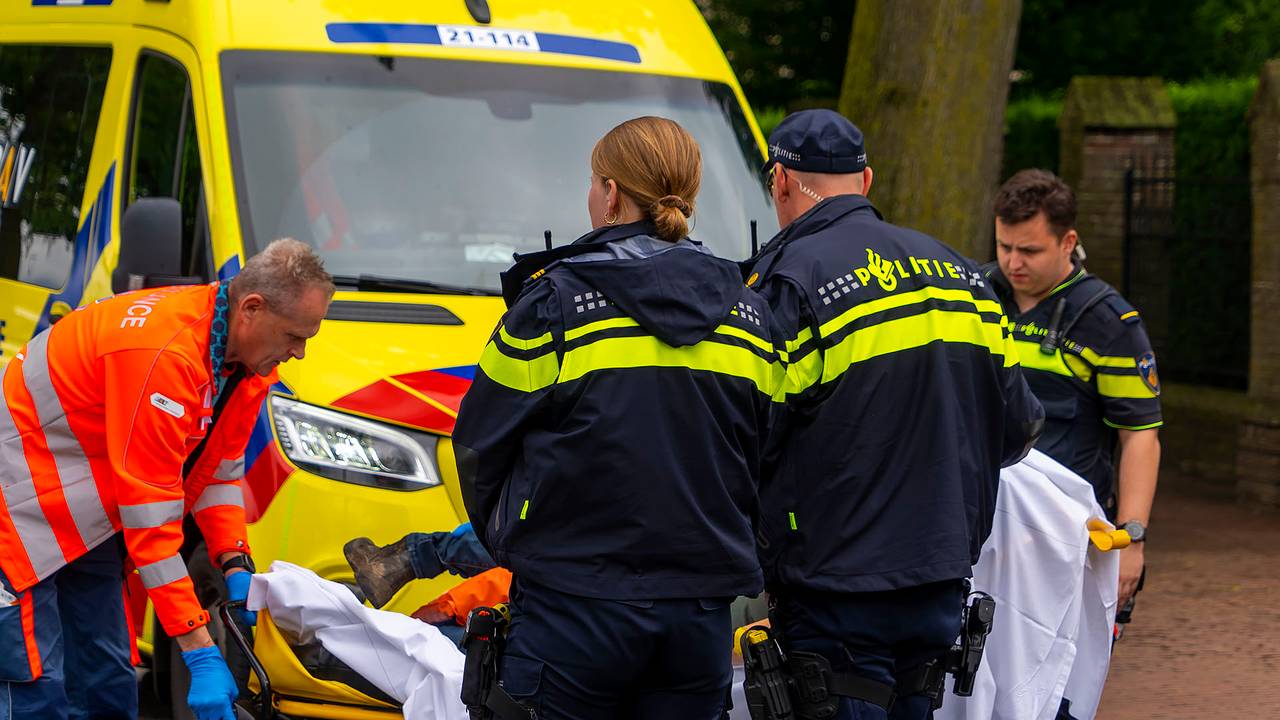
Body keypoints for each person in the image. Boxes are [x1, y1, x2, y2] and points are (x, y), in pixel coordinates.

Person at [451, 116, 783, 719]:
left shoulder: (554, 303)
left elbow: (478, 444)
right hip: (700, 616)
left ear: (610, 194)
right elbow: (771, 453)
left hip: (570, 608)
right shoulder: (754, 315)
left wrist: (511, 536)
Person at [743, 109, 1043, 720]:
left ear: (779, 181)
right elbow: (1018, 428)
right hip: (939, 578)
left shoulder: (791, 283)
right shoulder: (963, 275)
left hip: (834, 588)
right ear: (867, 180)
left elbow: (751, 434)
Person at [0, 238, 333, 720]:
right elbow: (151, 524)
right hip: (17, 513)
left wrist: (234, 561)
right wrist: (199, 648)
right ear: (251, 309)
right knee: (36, 692)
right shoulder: (165, 357)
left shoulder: (242, 363)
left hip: (79, 517)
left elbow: (217, 471)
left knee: (106, 682)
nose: (299, 352)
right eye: (295, 336)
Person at [987, 171, 1160, 621]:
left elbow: (1139, 436)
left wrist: (1131, 540)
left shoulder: (1108, 322)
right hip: (985, 531)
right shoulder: (978, 297)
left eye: (1029, 250)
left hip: (1067, 537)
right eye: (1004, 247)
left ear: (1068, 242)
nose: (1012, 262)